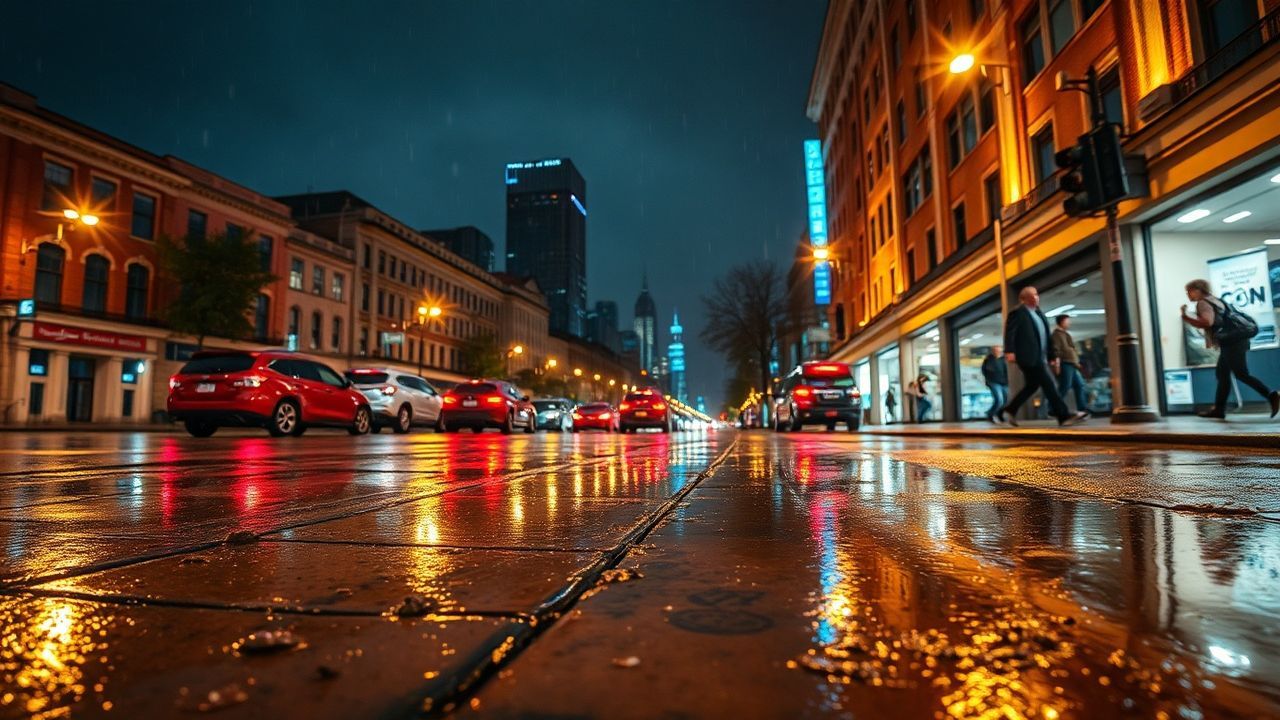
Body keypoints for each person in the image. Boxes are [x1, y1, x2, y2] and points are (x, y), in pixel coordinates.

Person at [1181, 279, 1279, 419]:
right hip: (1237, 340)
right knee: (1222, 374)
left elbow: (1207, 321)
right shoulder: (1215, 300)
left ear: (1198, 290)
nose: (1188, 294)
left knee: (1241, 374)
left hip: (1232, 342)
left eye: (1189, 291)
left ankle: (1271, 395)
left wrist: (1186, 317)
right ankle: (1219, 410)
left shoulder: (1203, 303)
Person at [996, 286, 1089, 427]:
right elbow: (1010, 333)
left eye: (1036, 294)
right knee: (1049, 384)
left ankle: (1009, 410)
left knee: (1032, 386)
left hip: (1040, 357)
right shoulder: (1018, 313)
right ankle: (1063, 416)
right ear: (1023, 299)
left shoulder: (1039, 314)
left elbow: (1046, 337)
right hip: (1027, 356)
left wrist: (1052, 356)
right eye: (1031, 295)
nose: (1035, 297)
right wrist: (1010, 351)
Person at [1052, 315, 1089, 414]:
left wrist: (1076, 362)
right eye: (1067, 321)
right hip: (1065, 363)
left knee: (1079, 385)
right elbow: (1056, 350)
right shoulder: (1057, 335)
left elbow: (1071, 349)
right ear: (1061, 322)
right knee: (1065, 386)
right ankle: (1053, 408)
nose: (1069, 323)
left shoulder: (1065, 334)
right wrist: (1057, 364)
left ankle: (1082, 408)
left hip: (1072, 364)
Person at [981, 345, 1009, 423]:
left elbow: (1007, 371)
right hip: (993, 382)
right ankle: (990, 414)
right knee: (999, 400)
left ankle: (1000, 415)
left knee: (1005, 401)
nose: (997, 352)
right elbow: (984, 371)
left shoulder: (1004, 360)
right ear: (993, 351)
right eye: (995, 350)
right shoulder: (988, 360)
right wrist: (988, 380)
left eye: (999, 350)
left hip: (1004, 383)